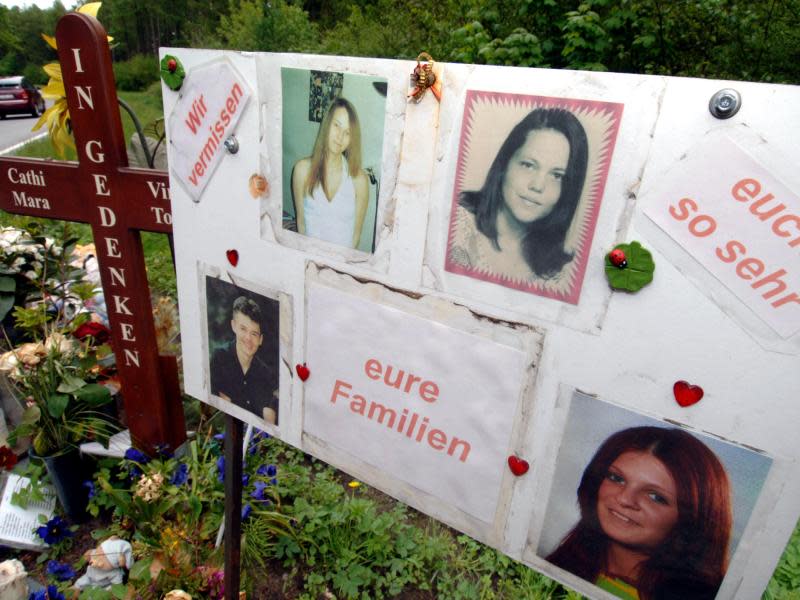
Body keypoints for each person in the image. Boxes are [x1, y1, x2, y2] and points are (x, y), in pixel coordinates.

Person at [545, 426, 732, 600]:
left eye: (655, 496)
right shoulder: (560, 564)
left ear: (692, 520)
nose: (625, 499)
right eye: (616, 478)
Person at [449, 107, 589, 282]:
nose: (537, 186)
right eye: (528, 165)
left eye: (557, 176)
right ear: (504, 164)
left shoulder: (557, 276)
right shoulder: (454, 224)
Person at [292, 97, 370, 249]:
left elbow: (355, 236)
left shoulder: (360, 181)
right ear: (327, 125)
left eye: (347, 133)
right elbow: (301, 224)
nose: (340, 137)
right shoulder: (301, 170)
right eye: (336, 126)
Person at [210, 296, 278, 425]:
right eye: (243, 329)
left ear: (261, 340)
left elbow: (269, 417)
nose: (248, 338)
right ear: (233, 326)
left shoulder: (265, 373)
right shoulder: (220, 359)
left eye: (254, 334)